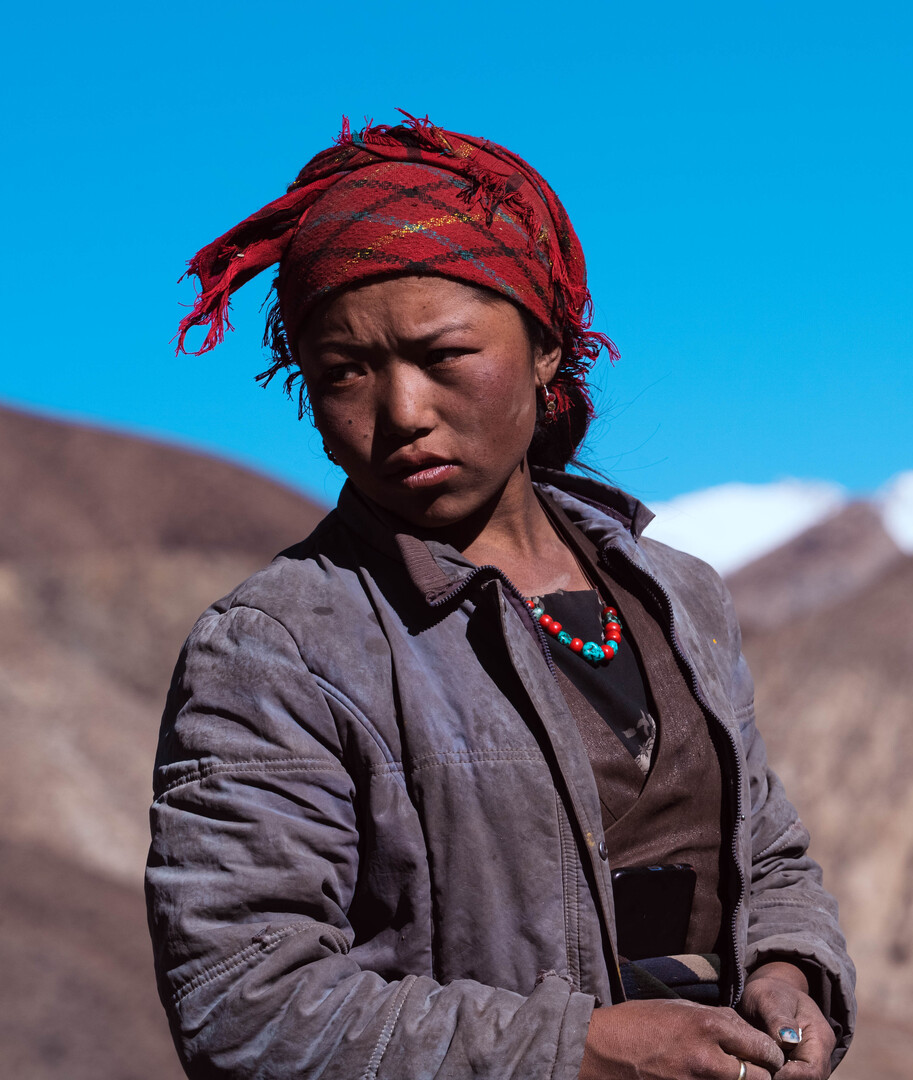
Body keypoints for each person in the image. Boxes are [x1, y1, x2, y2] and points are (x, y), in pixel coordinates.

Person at [146, 113, 854, 1080]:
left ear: (547, 347)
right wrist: (579, 1053)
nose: (401, 413)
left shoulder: (676, 595)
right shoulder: (281, 650)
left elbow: (765, 853)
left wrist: (790, 970)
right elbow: (242, 1004)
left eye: (443, 357)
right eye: (344, 372)